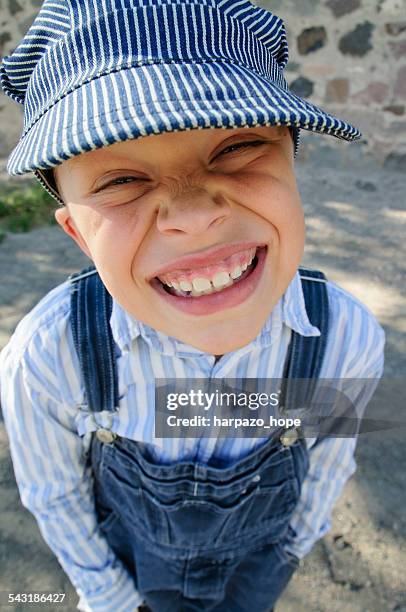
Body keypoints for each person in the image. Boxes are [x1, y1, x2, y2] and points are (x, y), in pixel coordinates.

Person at [0, 0, 385, 611]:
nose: (194, 215)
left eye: (236, 147)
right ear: (77, 232)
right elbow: (55, 497)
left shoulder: (346, 338)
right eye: (120, 181)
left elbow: (329, 461)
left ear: (293, 160)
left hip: (255, 580)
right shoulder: (50, 357)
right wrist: (112, 600)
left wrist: (286, 557)